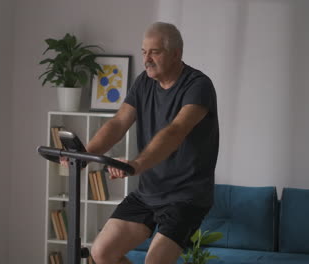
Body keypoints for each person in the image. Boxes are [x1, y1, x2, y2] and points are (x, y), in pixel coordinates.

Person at [63, 22, 219, 264]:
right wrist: (84, 155)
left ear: (176, 53)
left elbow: (175, 132)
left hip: (185, 196)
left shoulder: (198, 86)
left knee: (154, 261)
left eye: (154, 52)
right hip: (149, 192)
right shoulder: (144, 82)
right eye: (144, 51)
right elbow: (118, 122)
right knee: (102, 252)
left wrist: (136, 164)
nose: (147, 59)